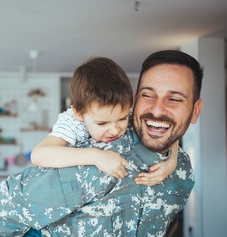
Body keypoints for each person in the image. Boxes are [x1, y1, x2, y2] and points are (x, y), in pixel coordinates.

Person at [0, 50, 203, 237]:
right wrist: (95, 156)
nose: (157, 109)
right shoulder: (81, 131)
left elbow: (165, 138)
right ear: (137, 99)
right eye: (148, 95)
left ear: (195, 111)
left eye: (174, 99)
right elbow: (11, 193)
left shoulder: (181, 174)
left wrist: (172, 160)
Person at [31, 56, 178, 185]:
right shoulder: (73, 123)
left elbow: (168, 130)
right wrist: (96, 156)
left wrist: (172, 162)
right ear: (79, 114)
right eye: (102, 123)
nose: (115, 130)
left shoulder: (131, 113)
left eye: (122, 118)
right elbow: (38, 155)